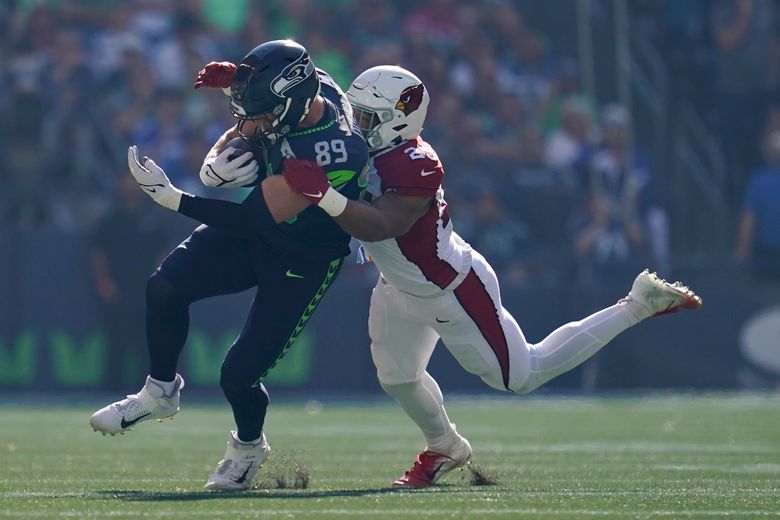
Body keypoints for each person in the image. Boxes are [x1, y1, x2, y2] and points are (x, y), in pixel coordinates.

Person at [279, 66, 703, 487]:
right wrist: (244, 84)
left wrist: (323, 194)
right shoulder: (358, 137)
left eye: (367, 117)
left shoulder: (416, 162)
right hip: (396, 284)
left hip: (450, 289)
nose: (354, 124)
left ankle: (637, 305)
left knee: (522, 375)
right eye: (355, 113)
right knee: (397, 376)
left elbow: (378, 225)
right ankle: (445, 446)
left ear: (398, 120)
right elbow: (315, 88)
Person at [89, 40, 369, 491]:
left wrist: (173, 198)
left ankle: (248, 447)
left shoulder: (333, 149)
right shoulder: (302, 93)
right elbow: (246, 125)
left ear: (292, 104)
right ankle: (160, 391)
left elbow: (249, 217)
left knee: (238, 375)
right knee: (164, 287)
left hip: (303, 257)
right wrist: (217, 154)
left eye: (262, 114)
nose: (250, 124)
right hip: (262, 232)